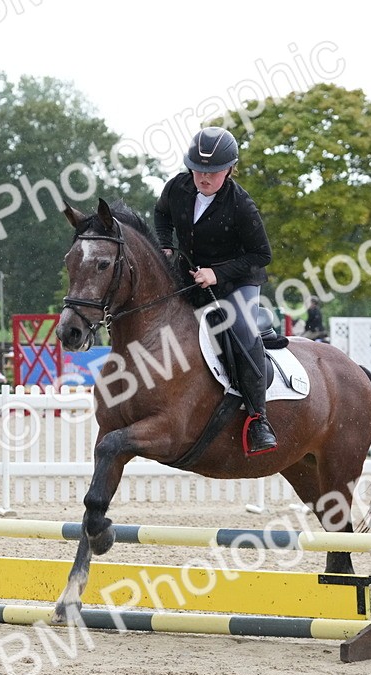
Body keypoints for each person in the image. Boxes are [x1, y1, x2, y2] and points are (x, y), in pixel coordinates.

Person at [154, 126, 277, 456]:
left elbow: (261, 255)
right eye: (198, 169)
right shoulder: (177, 187)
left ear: (230, 169)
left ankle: (258, 418)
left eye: (212, 171)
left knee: (239, 329)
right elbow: (161, 214)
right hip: (191, 273)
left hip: (238, 280)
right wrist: (165, 246)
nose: (203, 177)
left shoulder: (241, 205)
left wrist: (217, 273)